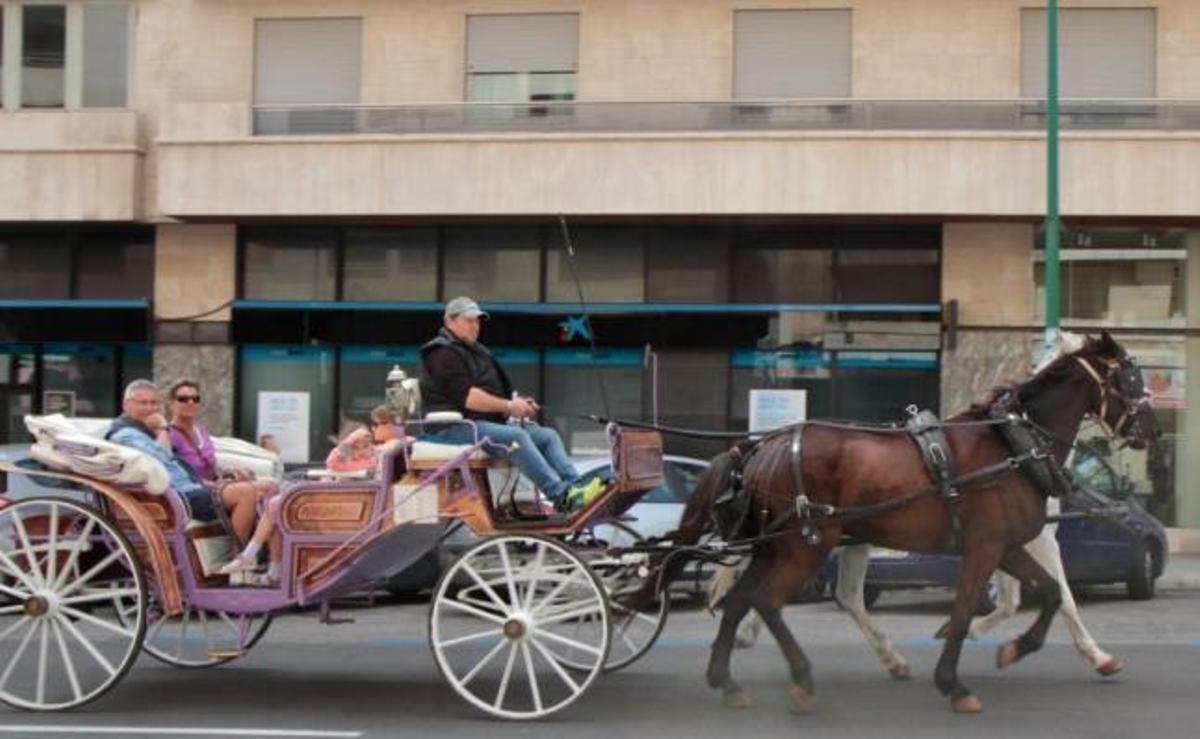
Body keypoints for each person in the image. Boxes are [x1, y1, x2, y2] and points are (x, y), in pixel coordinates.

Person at [419, 296, 604, 512]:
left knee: (547, 436)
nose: (475, 326)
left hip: (479, 424)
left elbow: (490, 391)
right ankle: (560, 496)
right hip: (450, 428)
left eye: (477, 321)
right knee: (516, 437)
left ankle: (576, 487)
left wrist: (518, 403)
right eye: (469, 320)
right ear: (450, 321)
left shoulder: (473, 350)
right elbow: (468, 397)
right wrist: (509, 406)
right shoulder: (441, 353)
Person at [107, 380, 258, 540]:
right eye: (143, 403)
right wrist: (163, 428)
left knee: (264, 488)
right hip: (174, 499)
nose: (150, 409)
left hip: (189, 488)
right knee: (245, 492)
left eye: (154, 403)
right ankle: (240, 558)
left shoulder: (146, 431)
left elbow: (179, 464)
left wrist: (216, 480)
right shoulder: (125, 435)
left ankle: (263, 556)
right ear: (126, 405)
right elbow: (161, 459)